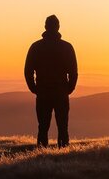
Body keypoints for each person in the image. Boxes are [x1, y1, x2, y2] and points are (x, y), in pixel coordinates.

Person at [24, 15, 78, 147]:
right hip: (60, 93)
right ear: (58, 26)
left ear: (45, 27)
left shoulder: (36, 47)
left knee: (43, 127)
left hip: (43, 93)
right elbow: (73, 71)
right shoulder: (66, 47)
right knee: (62, 127)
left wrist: (35, 88)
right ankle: (63, 154)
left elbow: (28, 71)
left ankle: (42, 155)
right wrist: (69, 89)